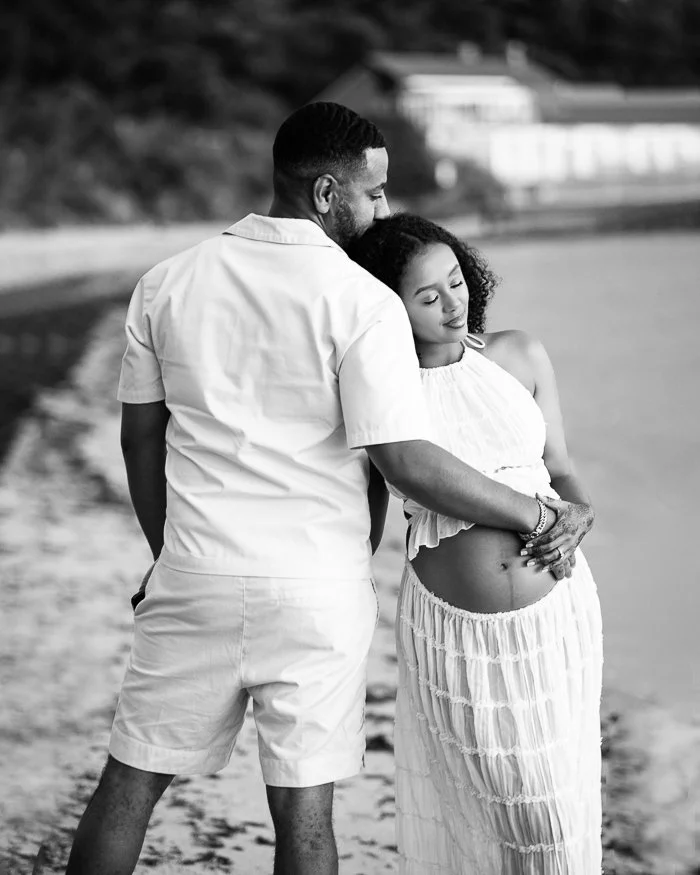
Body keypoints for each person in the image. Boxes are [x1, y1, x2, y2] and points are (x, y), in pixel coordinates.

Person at [64, 104, 591, 875]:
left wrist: (166, 554)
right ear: (324, 193)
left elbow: (140, 439)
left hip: (198, 569)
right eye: (373, 194)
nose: (383, 208)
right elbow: (400, 456)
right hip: (317, 587)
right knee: (305, 814)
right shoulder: (363, 300)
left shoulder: (166, 282)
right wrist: (539, 511)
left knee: (131, 783)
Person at [348, 213, 603, 874]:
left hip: (557, 619)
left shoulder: (519, 355)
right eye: (427, 297)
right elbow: (374, 500)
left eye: (456, 281)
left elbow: (561, 465)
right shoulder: (381, 394)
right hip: (452, 638)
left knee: (556, 814)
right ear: (390, 310)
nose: (452, 304)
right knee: (514, 819)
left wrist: (581, 513)